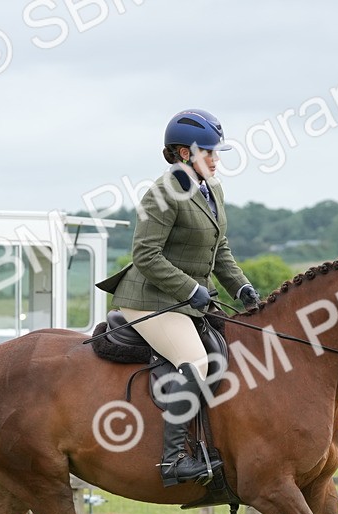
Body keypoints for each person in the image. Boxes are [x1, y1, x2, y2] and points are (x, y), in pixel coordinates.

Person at [96, 109, 261, 486]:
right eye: (209, 152)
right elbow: (146, 255)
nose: (216, 160)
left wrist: (242, 288)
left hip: (187, 299)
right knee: (195, 360)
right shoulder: (163, 193)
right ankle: (173, 461)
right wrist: (190, 290)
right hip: (148, 299)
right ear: (185, 153)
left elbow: (220, 251)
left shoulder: (212, 189)